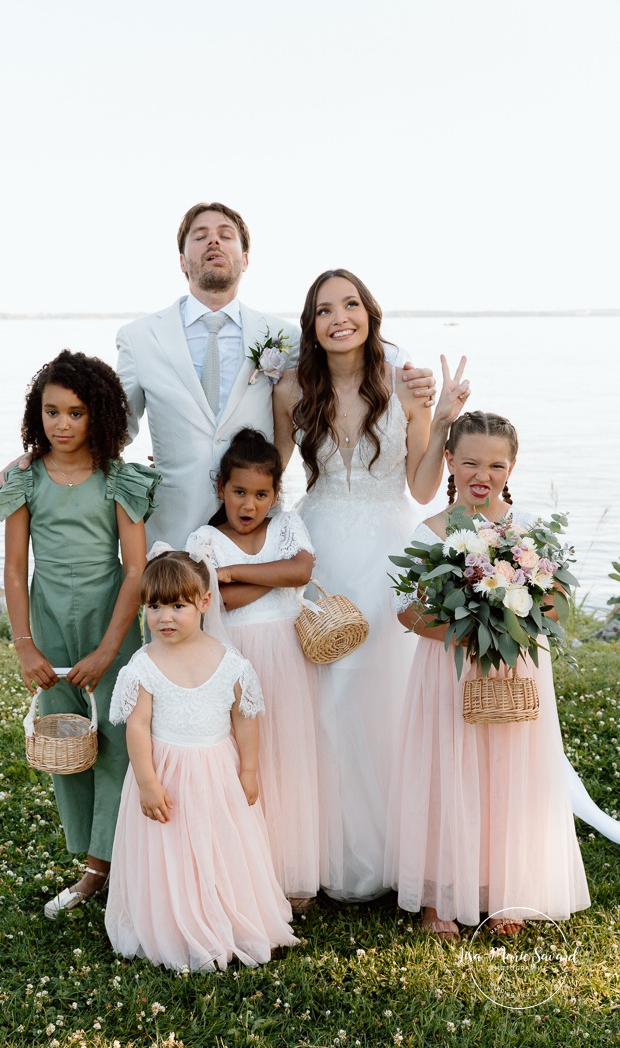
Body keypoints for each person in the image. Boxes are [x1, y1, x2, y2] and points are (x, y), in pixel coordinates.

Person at [272, 268, 471, 902]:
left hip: (388, 546)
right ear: (312, 325)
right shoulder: (291, 390)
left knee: (390, 692)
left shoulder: (403, 384)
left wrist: (440, 420)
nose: (340, 318)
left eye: (350, 304)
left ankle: (402, 851)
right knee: (327, 696)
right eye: (324, 309)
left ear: (369, 312)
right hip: (323, 544)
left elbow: (418, 487)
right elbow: (273, 482)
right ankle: (326, 854)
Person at [115, 202, 437, 547]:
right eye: (201, 236)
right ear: (181, 260)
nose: (214, 243)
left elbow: (346, 348)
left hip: (259, 533)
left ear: (245, 258)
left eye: (226, 236)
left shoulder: (284, 338)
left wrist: (411, 371)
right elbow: (116, 432)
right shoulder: (139, 338)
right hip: (171, 532)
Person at [384, 412, 590, 940]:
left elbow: (556, 602)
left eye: (496, 464)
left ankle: (506, 889)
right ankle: (439, 895)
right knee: (448, 771)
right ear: (449, 460)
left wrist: (512, 622)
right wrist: (470, 632)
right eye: (470, 461)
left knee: (508, 774)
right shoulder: (430, 531)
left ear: (512, 467)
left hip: (514, 668)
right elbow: (406, 610)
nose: (483, 474)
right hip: (449, 671)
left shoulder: (527, 534)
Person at [0, 350, 160, 918]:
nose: (61, 425)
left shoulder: (119, 480)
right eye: (51, 412)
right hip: (47, 621)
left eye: (76, 413)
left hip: (107, 618)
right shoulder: (25, 481)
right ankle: (91, 859)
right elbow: (15, 570)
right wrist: (24, 646)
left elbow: (136, 569)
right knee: (67, 740)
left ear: (100, 415)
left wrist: (111, 647)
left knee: (116, 744)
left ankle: (104, 867)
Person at [105, 550, 298, 971]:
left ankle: (224, 914)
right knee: (169, 850)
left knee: (219, 845)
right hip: (166, 775)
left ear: (204, 603)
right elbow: (136, 727)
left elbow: (244, 719)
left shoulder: (230, 662)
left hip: (216, 772)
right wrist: (147, 782)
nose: (164, 617)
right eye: (154, 606)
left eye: (178, 605)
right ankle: (172, 920)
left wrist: (248, 769)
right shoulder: (145, 664)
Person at [185, 428, 322, 914]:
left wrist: (235, 571)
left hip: (286, 656)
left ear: (275, 495)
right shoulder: (204, 539)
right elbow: (222, 601)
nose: (249, 504)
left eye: (261, 494)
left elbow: (302, 571)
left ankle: (290, 871)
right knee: (242, 760)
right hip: (235, 658)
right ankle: (246, 869)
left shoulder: (286, 525)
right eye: (239, 492)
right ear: (220, 488)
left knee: (288, 757)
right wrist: (270, 575)